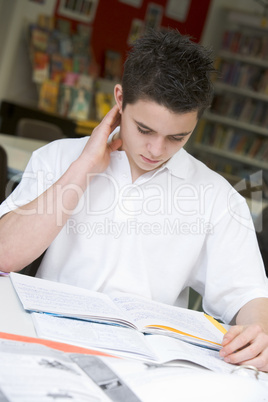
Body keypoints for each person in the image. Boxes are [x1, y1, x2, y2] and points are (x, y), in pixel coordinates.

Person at [0, 29, 268, 372]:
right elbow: (5, 255)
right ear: (119, 99)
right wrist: (82, 168)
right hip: (45, 345)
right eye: (144, 130)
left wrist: (258, 332)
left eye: (177, 137)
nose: (156, 151)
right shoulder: (58, 158)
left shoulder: (218, 197)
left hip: (145, 367)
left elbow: (248, 294)